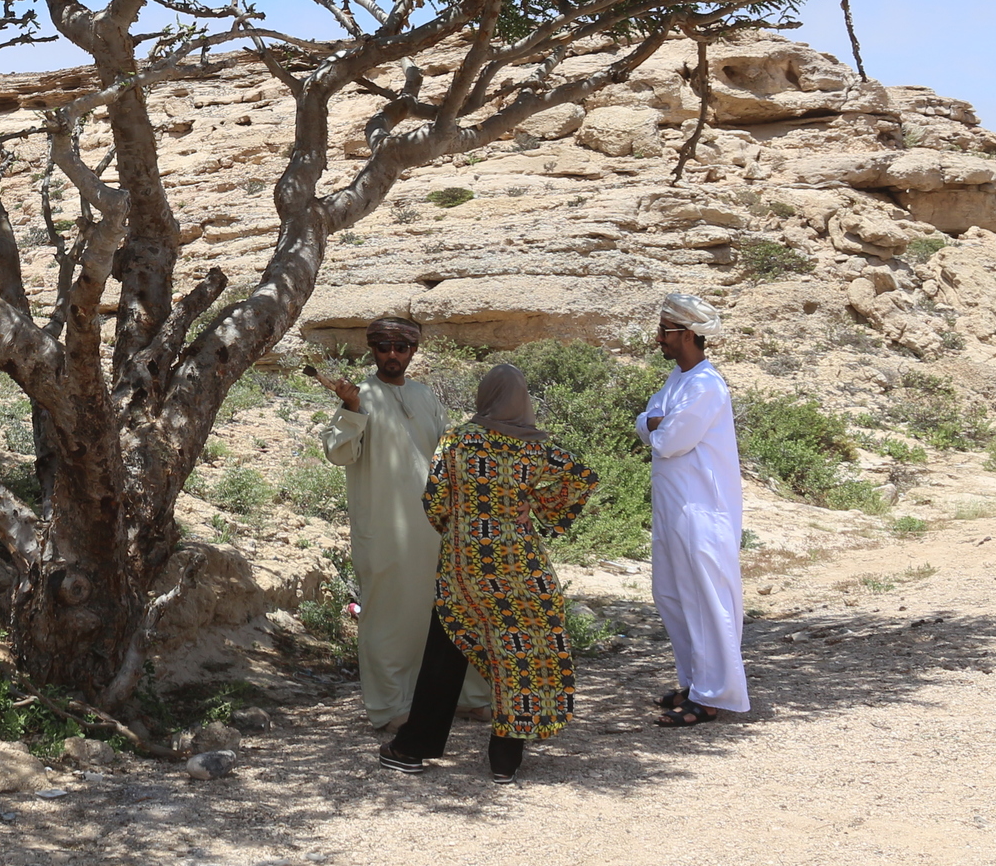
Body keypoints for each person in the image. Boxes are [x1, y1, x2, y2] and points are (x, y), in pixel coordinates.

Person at [378, 364, 598, 780]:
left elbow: (434, 502)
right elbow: (583, 478)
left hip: (464, 572)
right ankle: (504, 760)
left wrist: (460, 529)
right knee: (519, 655)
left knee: (445, 653)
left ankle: (412, 749)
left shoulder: (459, 441)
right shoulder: (536, 450)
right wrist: (536, 508)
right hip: (522, 571)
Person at [314, 316, 489, 728]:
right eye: (383, 347)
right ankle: (391, 708)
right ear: (372, 349)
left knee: (452, 612)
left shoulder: (425, 395)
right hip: (386, 532)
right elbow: (339, 454)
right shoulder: (359, 396)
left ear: (413, 351)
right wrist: (351, 409)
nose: (392, 355)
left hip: (436, 529)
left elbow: (446, 457)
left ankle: (467, 697)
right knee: (390, 618)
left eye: (401, 347)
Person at [640, 292, 750, 726]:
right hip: (674, 511)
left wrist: (654, 425)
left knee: (708, 601)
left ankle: (713, 697)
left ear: (686, 334)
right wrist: (653, 423)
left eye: (665, 332)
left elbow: (667, 440)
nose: (658, 339)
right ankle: (694, 682)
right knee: (673, 597)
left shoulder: (705, 385)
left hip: (703, 512)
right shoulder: (676, 380)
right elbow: (648, 420)